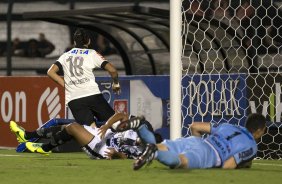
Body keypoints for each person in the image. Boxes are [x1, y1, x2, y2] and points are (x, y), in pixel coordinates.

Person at [113, 113, 266, 170]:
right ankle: (154, 153)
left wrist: (197, 143)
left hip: (195, 141)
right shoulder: (251, 145)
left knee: (160, 146)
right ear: (259, 130)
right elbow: (228, 166)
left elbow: (195, 126)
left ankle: (141, 127)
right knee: (181, 162)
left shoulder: (229, 126)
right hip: (209, 154)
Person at [47, 28, 121, 126]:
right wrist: (116, 83)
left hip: (74, 99)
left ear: (74, 42)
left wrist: (65, 85)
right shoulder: (92, 54)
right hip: (92, 95)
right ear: (88, 41)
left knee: (91, 132)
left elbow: (50, 72)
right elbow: (112, 70)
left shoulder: (65, 56)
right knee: (115, 124)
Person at [9, 113, 160, 159]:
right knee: (63, 127)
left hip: (103, 149)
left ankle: (45, 147)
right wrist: (107, 125)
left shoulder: (143, 152)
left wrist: (116, 154)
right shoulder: (136, 130)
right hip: (104, 134)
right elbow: (122, 115)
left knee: (73, 128)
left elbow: (126, 157)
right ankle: (28, 135)